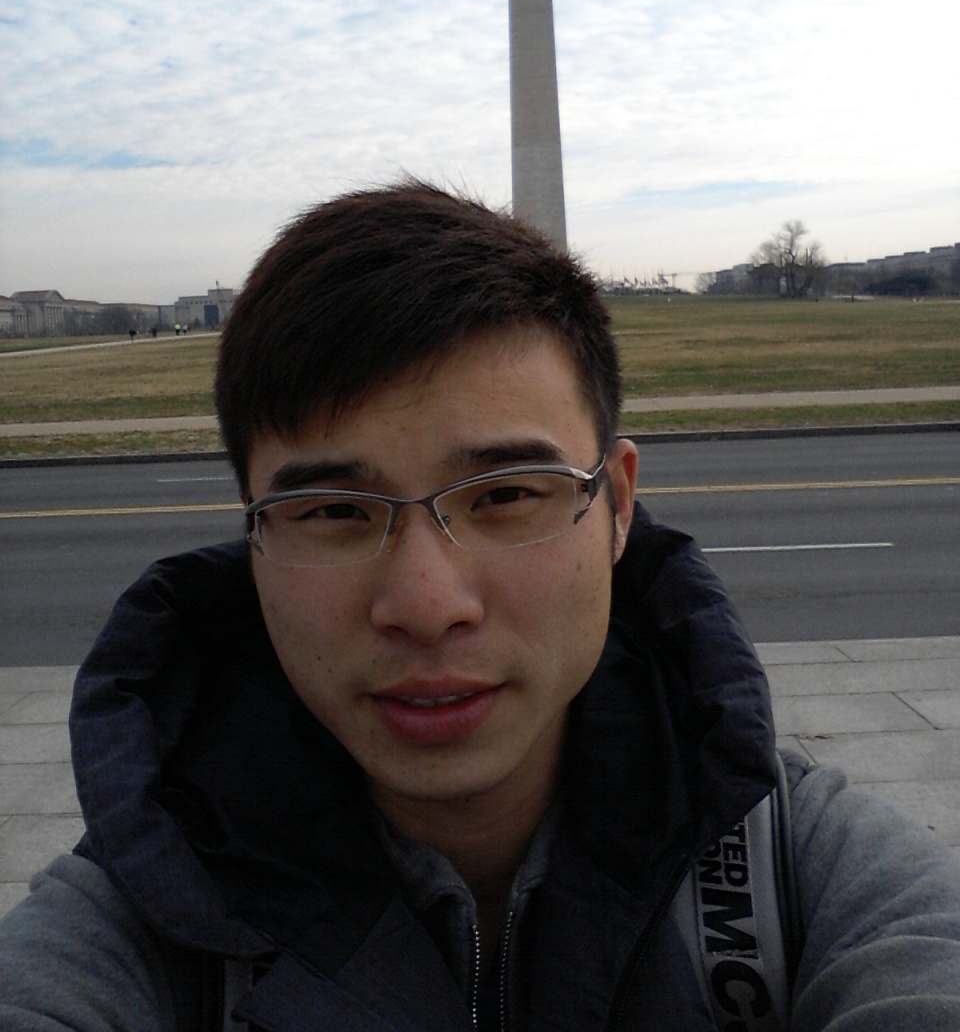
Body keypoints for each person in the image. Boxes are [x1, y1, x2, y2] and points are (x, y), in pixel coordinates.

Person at [1, 181, 959, 1031]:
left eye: (505, 495)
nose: (427, 605)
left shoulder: (810, 876)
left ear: (618, 507)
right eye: (332, 510)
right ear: (252, 533)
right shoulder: (125, 929)